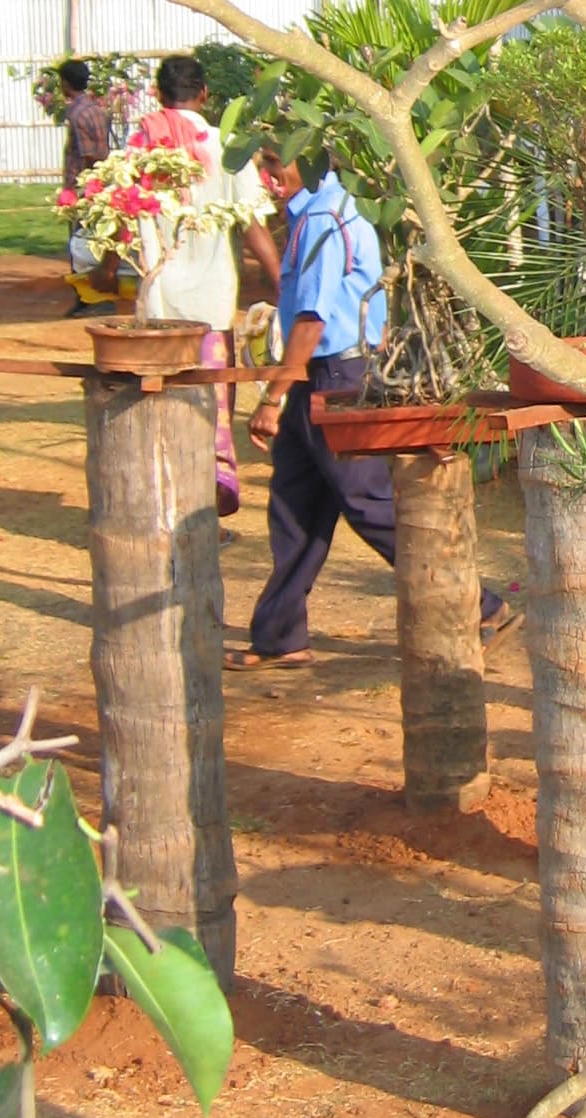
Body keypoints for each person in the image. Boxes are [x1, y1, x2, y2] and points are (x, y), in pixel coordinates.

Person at [231, 150, 397, 667]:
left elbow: (312, 319)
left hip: (336, 375)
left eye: (278, 161)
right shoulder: (310, 214)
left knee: (366, 502)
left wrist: (274, 394)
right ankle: (280, 636)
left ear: (312, 158)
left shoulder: (326, 217)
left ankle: (477, 604)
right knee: (295, 502)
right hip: (318, 374)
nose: (268, 174)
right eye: (264, 162)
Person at [130, 55, 280, 517]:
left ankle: (166, 510)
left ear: (157, 94)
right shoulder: (224, 147)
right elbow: (253, 224)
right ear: (204, 95)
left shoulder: (140, 146)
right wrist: (283, 281)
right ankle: (205, 513)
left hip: (157, 306)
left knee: (161, 408)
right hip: (211, 306)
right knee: (212, 409)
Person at [58, 60, 113, 314]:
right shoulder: (96, 108)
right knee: (93, 240)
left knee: (79, 243)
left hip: (83, 185)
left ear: (66, 84)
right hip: (99, 182)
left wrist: (79, 188)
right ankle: (93, 297)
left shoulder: (77, 114)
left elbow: (88, 154)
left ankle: (89, 299)